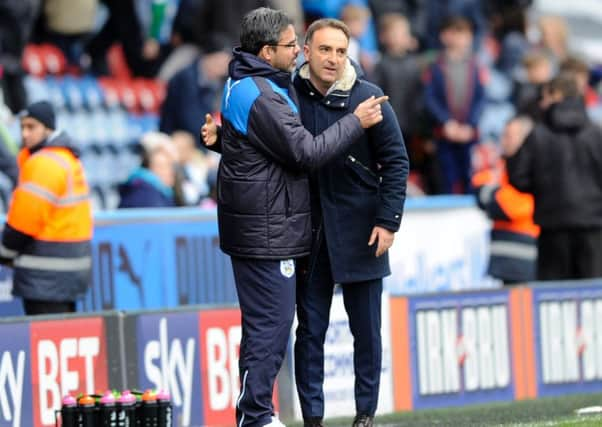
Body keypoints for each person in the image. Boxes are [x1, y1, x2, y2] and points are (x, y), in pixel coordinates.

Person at [202, 7, 387, 427]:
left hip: (263, 225)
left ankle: (257, 414)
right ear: (267, 52)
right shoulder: (262, 94)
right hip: (266, 229)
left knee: (268, 324)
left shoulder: (250, 84)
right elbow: (304, 153)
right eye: (291, 47)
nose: (297, 54)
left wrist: (221, 143)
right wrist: (356, 122)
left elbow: (254, 153)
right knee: (271, 324)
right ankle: (256, 416)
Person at [292, 19, 408, 427]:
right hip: (309, 233)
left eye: (341, 52)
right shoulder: (289, 96)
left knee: (367, 332)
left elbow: (396, 162)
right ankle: (312, 418)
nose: (334, 59)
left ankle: (365, 414)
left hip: (363, 229)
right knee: (309, 333)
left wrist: (388, 221)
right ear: (306, 51)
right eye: (325, 50)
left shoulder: (370, 96)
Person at [0, 101, 93, 315]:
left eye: (31, 127)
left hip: (46, 275)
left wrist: (4, 251)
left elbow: (23, 224)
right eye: (22, 127)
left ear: (48, 128)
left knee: (47, 341)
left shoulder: (43, 163)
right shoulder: (67, 159)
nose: (24, 134)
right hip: (69, 273)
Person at [507, 74, 602, 280]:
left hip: (552, 226)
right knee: (593, 297)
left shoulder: (538, 135)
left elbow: (518, 177)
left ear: (557, 95)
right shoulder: (596, 133)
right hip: (593, 227)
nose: (541, 103)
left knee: (555, 299)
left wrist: (545, 191)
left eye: (545, 97)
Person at [472, 116, 539, 285]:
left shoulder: (536, 167)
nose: (503, 141)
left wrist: (494, 195)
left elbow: (509, 207)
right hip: (505, 259)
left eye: (508, 136)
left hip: (527, 258)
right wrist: (495, 195)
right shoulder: (502, 165)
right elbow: (478, 186)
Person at [424, 15, 485, 194]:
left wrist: (470, 125)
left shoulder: (476, 66)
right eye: (456, 33)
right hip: (445, 134)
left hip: (468, 134)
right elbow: (430, 99)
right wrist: (446, 122)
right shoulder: (436, 65)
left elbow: (481, 99)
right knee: (446, 180)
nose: (460, 39)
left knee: (470, 178)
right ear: (445, 36)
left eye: (464, 34)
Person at [118, 131, 179, 208]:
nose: (171, 172)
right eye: (163, 167)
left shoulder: (159, 192)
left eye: (172, 166)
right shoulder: (145, 194)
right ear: (150, 168)